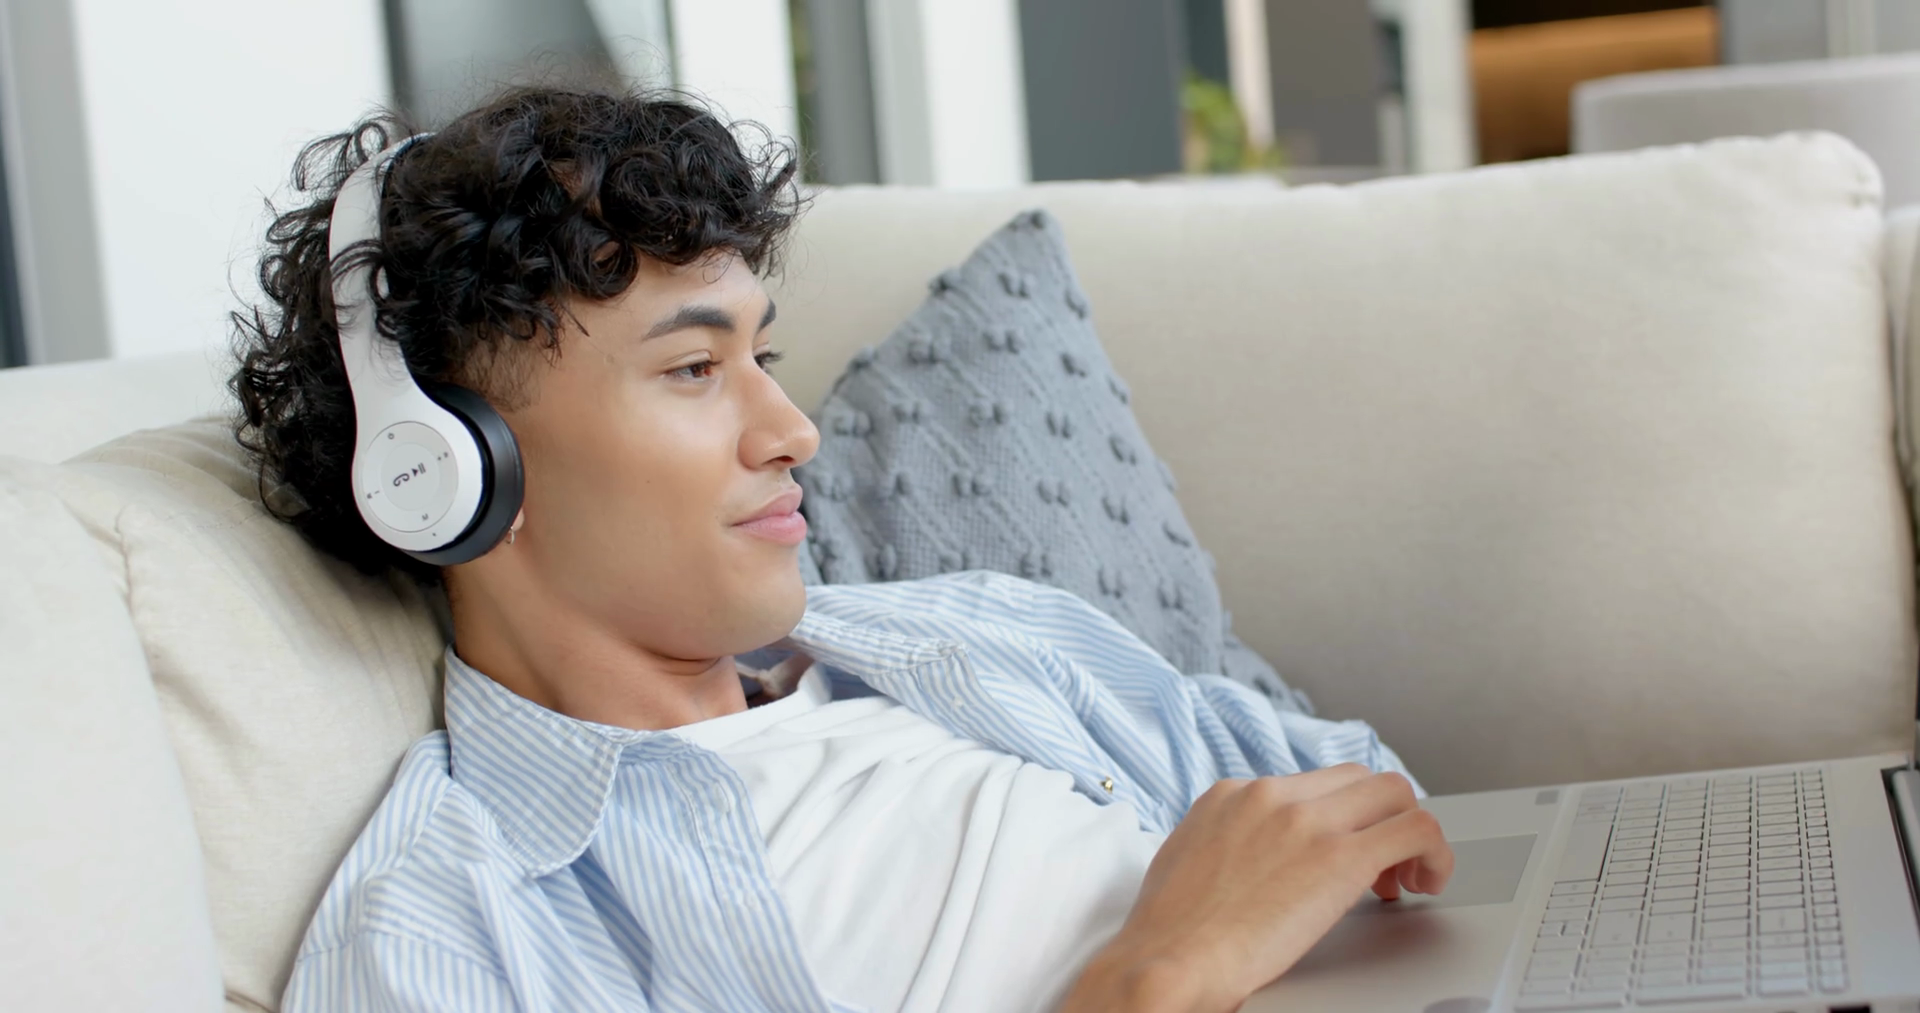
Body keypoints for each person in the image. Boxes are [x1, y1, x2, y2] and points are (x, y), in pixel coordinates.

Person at [237, 86, 1454, 1013]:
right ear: (444, 472)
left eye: (761, 356)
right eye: (694, 367)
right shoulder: (446, 933)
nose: (792, 430)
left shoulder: (977, 634)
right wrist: (1156, 977)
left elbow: (1370, 807)